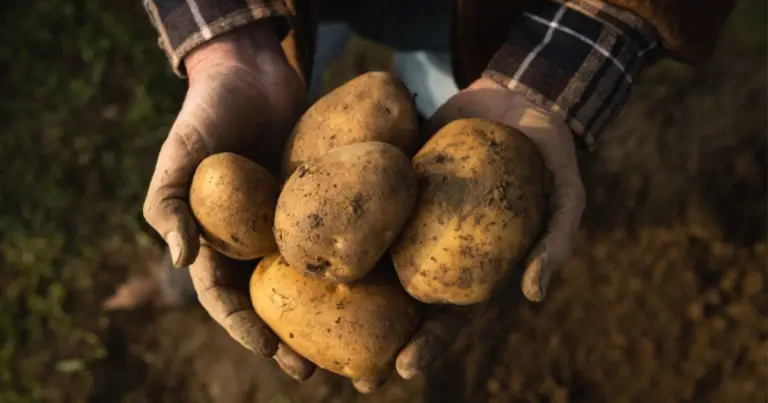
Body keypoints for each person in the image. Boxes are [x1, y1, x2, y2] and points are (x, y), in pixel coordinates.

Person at [107, 0, 736, 393]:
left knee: (438, 104)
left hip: (500, 16)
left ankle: (180, 275)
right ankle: (178, 278)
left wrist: (591, 31)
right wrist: (224, 44)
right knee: (224, 181)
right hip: (279, 12)